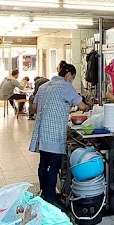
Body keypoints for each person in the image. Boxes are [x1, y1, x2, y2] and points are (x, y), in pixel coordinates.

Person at [29, 61, 87, 204]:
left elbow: (34, 107)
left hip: (42, 131)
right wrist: (87, 107)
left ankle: (44, 192)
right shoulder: (65, 86)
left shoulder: (43, 86)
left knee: (43, 163)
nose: (71, 80)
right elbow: (81, 106)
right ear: (68, 75)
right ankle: (50, 198)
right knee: (53, 166)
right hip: (54, 132)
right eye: (72, 77)